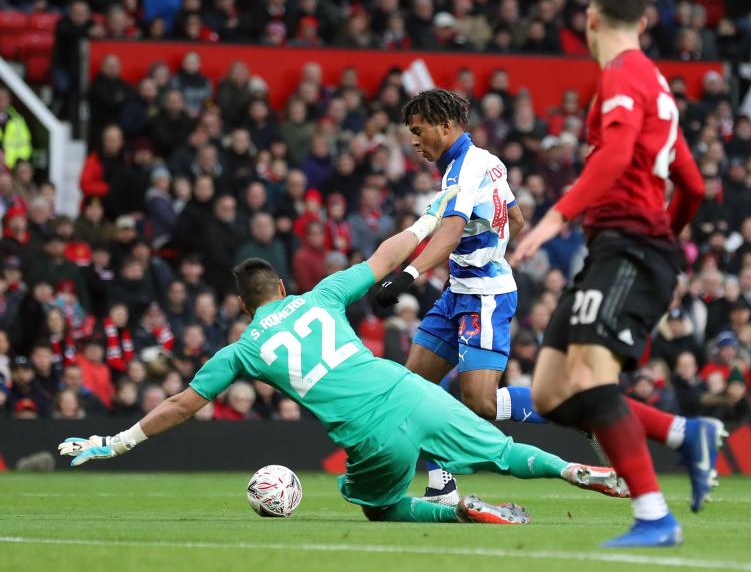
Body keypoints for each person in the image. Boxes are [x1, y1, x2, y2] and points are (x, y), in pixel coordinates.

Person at [58, 190, 627, 525]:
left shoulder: (243, 350)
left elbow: (182, 404)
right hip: (407, 389)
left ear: (241, 303)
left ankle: (456, 511)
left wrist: (117, 441)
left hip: (368, 433)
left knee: (377, 508)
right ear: (281, 285)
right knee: (502, 448)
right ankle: (579, 470)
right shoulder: (321, 294)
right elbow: (383, 258)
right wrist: (430, 220)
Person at [511, 0, 724, 548]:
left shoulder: (624, 74)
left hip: (629, 246)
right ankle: (685, 433)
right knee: (554, 392)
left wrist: (558, 216)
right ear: (646, 21)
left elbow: (617, 155)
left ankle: (655, 516)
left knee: (589, 376)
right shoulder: (656, 83)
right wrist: (668, 238)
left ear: (591, 18)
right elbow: (694, 185)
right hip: (626, 247)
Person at [372, 88, 543, 506]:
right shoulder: (488, 161)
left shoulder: (463, 170)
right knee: (414, 388)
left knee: (480, 404)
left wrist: (408, 274)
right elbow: (516, 219)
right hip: (460, 291)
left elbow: (449, 232)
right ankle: (442, 485)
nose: (413, 141)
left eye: (418, 131)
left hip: (483, 296)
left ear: (445, 126)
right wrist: (490, 250)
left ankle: (568, 403)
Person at [0, 86, 32, 170]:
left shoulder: (18, 119)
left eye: (5, 97)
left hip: (14, 167)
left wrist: (21, 163)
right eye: (0, 97)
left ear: (10, 100)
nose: (2, 100)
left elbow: (25, 143)